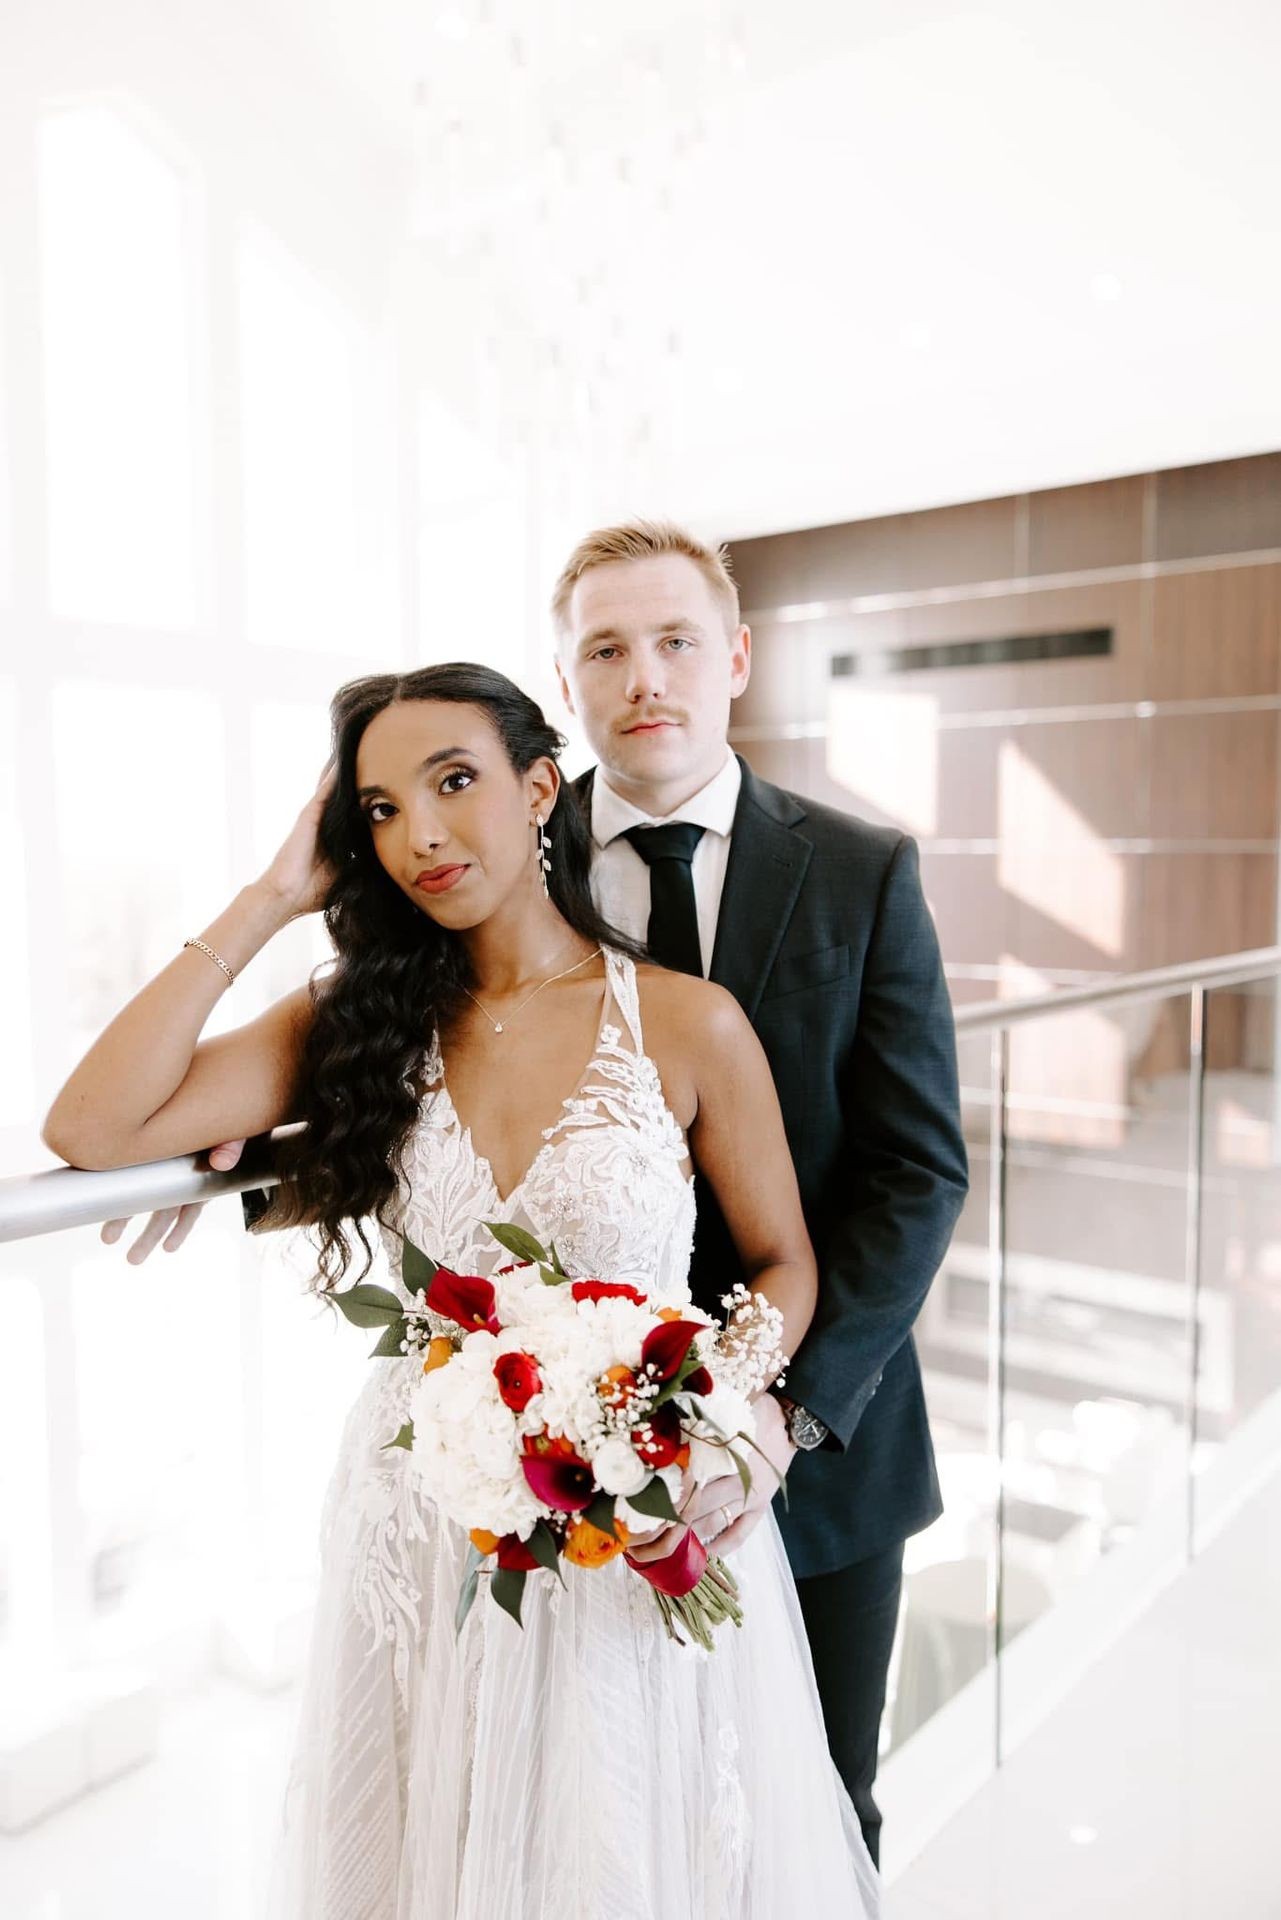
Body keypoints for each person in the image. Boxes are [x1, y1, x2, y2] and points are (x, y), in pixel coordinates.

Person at [44, 663, 880, 1919]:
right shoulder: (350, 1024)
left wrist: (716, 1424)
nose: (420, 835)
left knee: (619, 1844)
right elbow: (93, 1126)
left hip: (628, 1510)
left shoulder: (687, 1021)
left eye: (453, 784)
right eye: (378, 810)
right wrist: (273, 897)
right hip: (418, 1511)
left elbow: (782, 1263)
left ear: (540, 786)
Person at [550, 521, 970, 1864]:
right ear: (565, 683)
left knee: (821, 1812)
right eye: (605, 648)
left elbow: (916, 1172)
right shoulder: (510, 877)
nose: (644, 677)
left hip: (826, 1454)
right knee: (614, 1819)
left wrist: (786, 1414)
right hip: (566, 1444)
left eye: (675, 641)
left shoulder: (864, 873)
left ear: (735, 656)